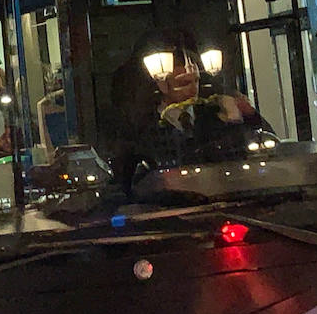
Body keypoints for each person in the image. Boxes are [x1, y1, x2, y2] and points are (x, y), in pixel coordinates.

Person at [110, 28, 269, 192]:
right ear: (163, 85)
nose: (193, 89)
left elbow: (253, 149)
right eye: (184, 83)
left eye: (196, 81)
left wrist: (248, 116)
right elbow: (134, 180)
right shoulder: (143, 127)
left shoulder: (215, 115)